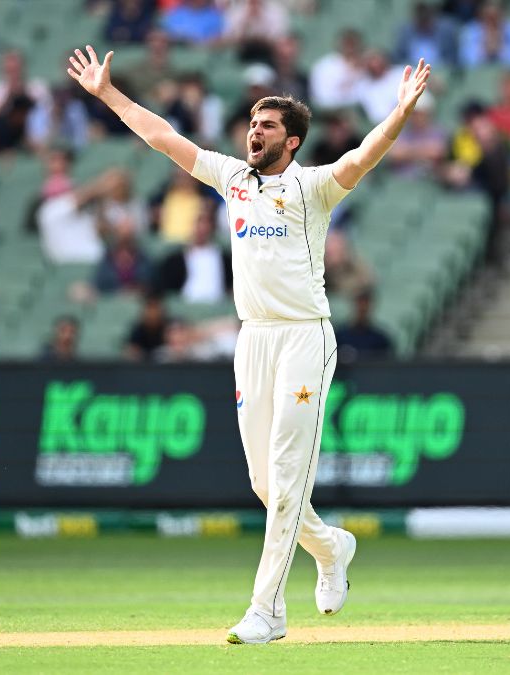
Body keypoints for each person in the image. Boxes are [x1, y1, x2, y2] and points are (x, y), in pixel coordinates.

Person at [68, 42, 431, 643]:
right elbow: (162, 137)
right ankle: (332, 546)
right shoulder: (232, 179)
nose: (253, 133)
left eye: (267, 127)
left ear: (291, 141)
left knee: (288, 476)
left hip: (304, 339)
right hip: (253, 338)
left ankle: (267, 611)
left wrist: (399, 113)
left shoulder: (313, 187)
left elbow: (364, 158)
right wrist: (107, 94)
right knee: (265, 485)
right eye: (252, 124)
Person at [334, 289, 393, 363]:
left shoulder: (380, 340)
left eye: (365, 305)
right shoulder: (339, 337)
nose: (362, 308)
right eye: (359, 304)